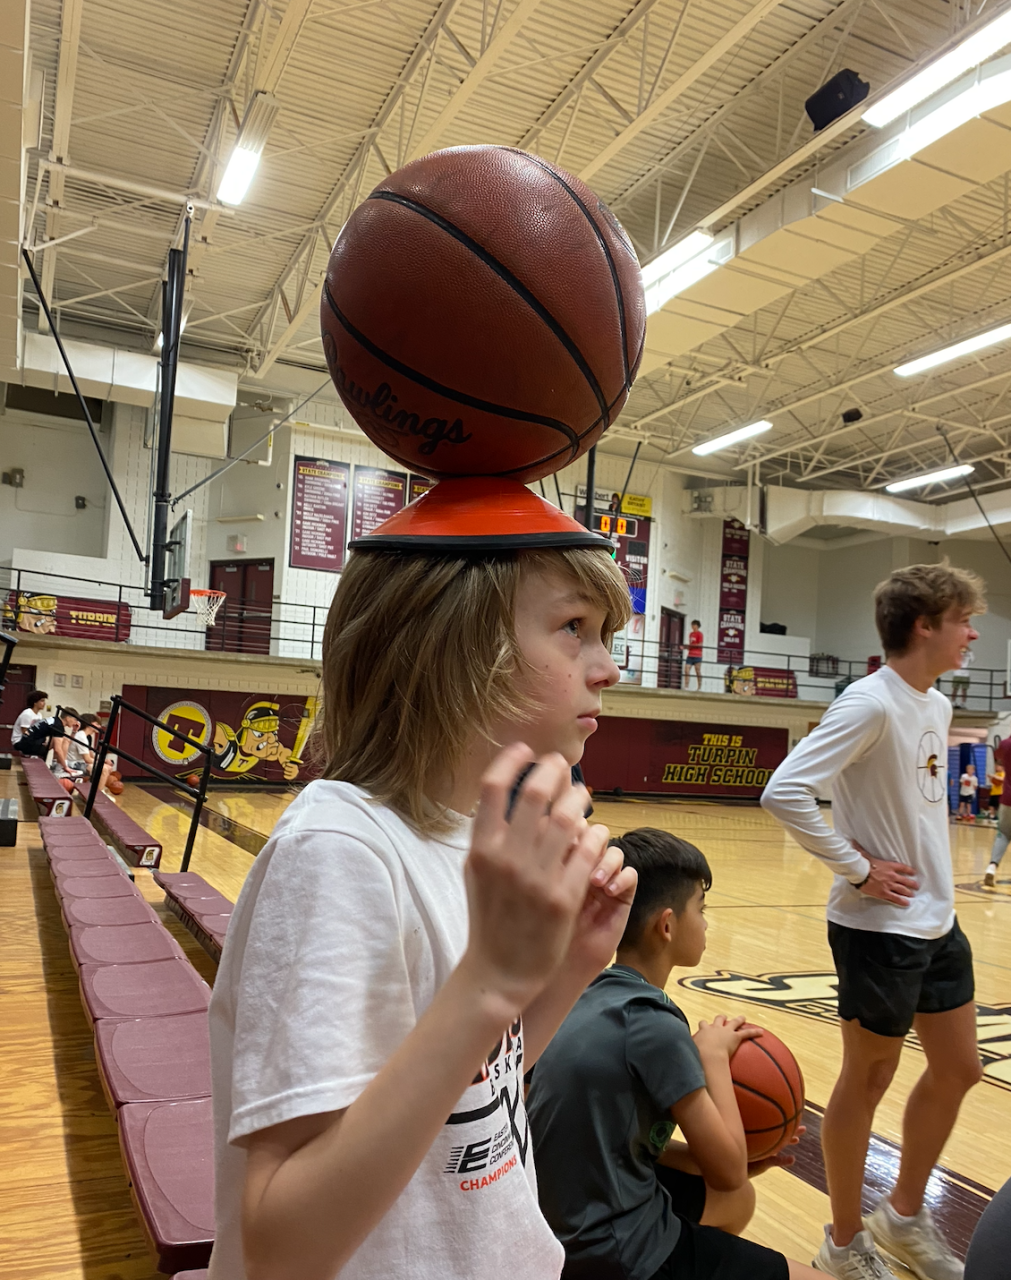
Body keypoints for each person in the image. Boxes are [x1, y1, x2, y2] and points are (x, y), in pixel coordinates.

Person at [207, 508, 643, 1280]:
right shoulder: (338, 852)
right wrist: (490, 983)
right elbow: (281, 1251)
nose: (606, 668)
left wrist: (571, 965)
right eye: (574, 627)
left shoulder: (464, 835)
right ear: (456, 641)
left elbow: (471, 1097)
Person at [761, 561, 986, 1280]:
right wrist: (857, 869)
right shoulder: (869, 703)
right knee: (867, 1081)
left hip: (936, 920)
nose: (971, 634)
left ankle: (903, 1215)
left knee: (960, 1068)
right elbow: (784, 791)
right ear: (924, 625)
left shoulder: (936, 705)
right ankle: (843, 1239)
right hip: (876, 927)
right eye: (962, 621)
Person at [526, 827, 817, 1280]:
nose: (706, 923)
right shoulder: (653, 1025)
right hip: (614, 1254)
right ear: (666, 925)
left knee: (737, 1203)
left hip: (556, 1227)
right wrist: (711, 1056)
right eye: (701, 909)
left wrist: (745, 1157)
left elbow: (639, 1146)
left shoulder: (589, 994)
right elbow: (727, 1173)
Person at [984, 737, 1011, 886]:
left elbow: (998, 756)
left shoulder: (1005, 744)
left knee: (1003, 835)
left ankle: (992, 867)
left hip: (1007, 799)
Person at [48, 707, 82, 782]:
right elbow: (57, 749)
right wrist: (65, 767)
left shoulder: (58, 724)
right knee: (62, 741)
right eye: (75, 719)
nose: (75, 722)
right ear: (67, 718)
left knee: (64, 739)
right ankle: (59, 769)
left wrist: (74, 731)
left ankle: (58, 767)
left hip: (41, 745)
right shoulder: (58, 726)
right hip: (35, 747)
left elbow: (67, 743)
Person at [683, 621, 703, 691]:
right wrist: (686, 647)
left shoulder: (700, 634)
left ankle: (699, 687)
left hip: (697, 655)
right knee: (686, 670)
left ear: (697, 626)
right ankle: (686, 686)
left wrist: (691, 646)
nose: (692, 626)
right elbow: (690, 645)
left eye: (693, 625)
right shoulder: (691, 634)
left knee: (697, 671)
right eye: (692, 625)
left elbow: (700, 644)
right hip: (690, 654)